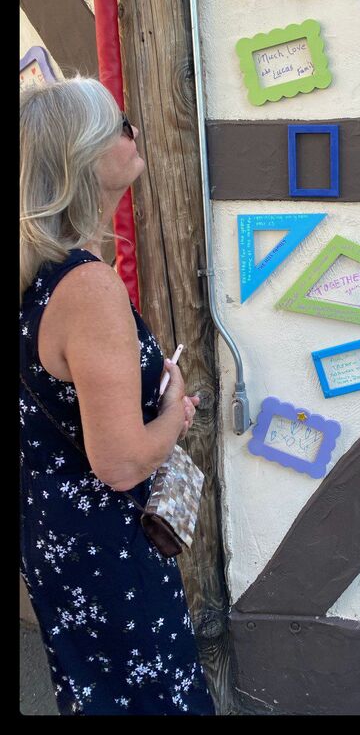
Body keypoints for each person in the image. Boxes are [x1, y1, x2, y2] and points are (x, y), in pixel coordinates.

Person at [20, 74, 214, 713]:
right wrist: (174, 411)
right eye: (118, 125)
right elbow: (122, 460)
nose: (133, 132)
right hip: (107, 545)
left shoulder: (36, 274)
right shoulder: (86, 286)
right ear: (82, 159)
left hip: (55, 532)